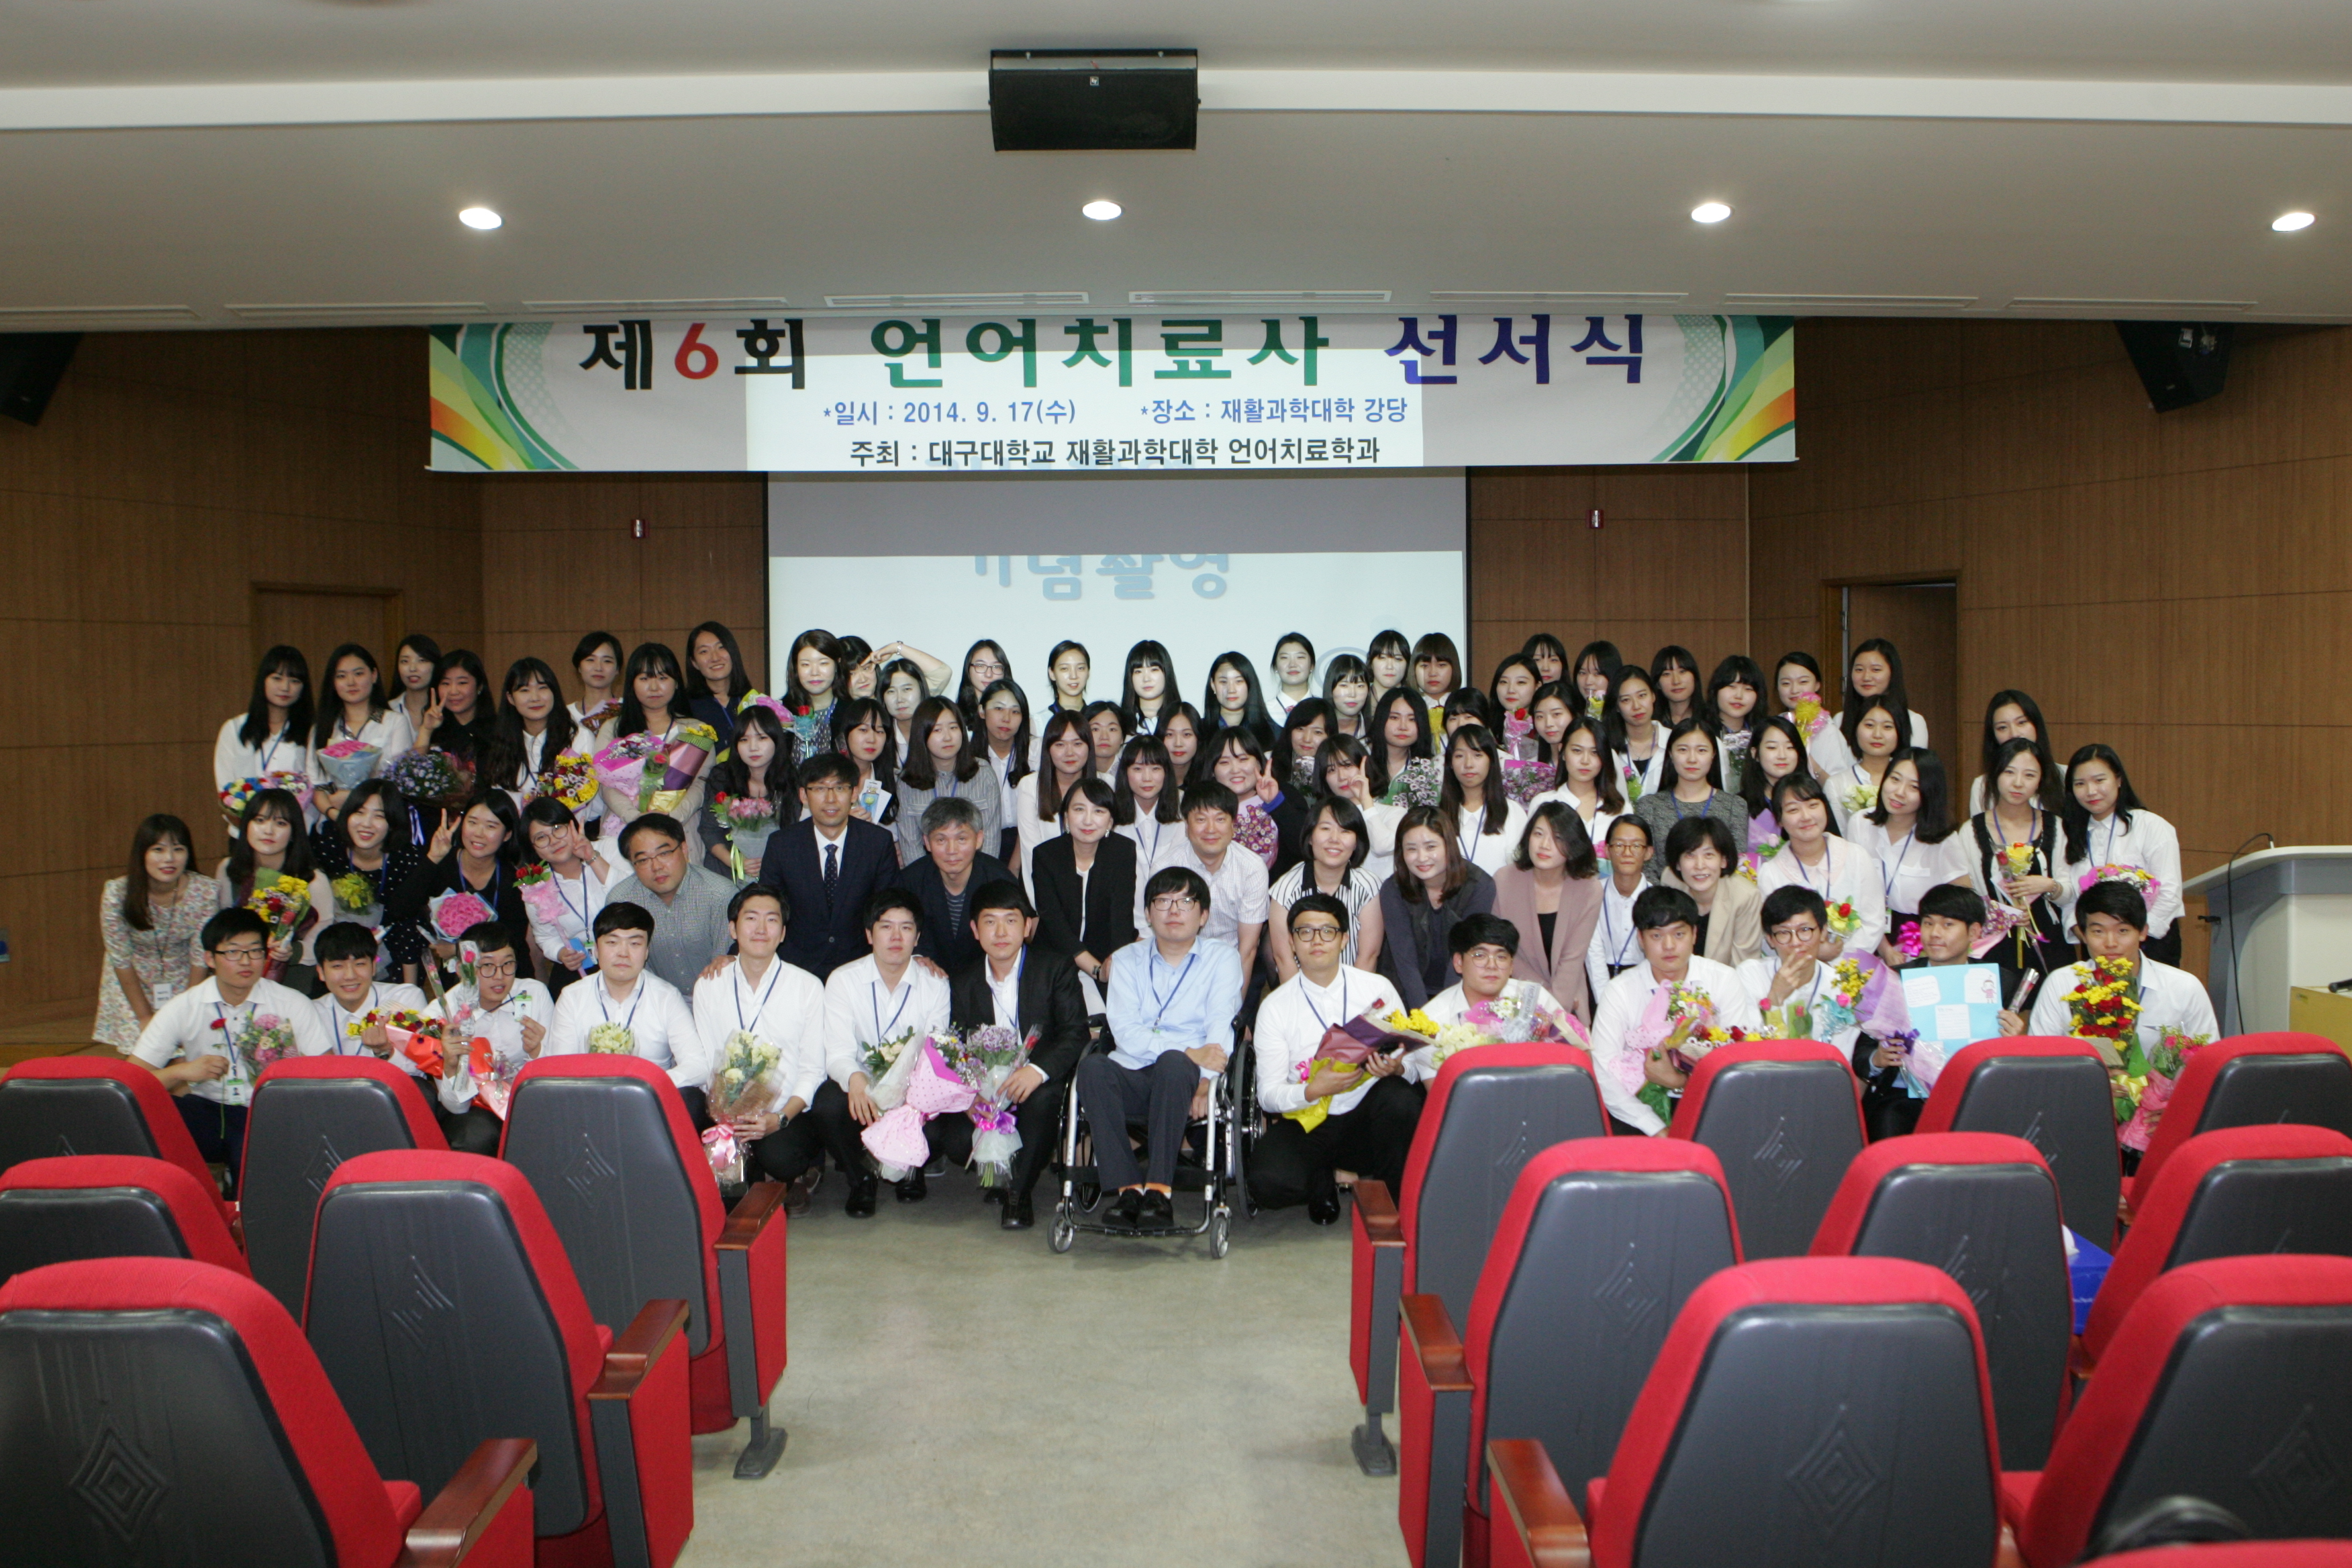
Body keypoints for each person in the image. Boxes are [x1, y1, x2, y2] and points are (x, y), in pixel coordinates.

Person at [1085, 866, 1246, 1230]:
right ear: (1147, 914)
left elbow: (1221, 1026)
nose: (1174, 910)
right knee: (1092, 1068)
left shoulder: (1222, 959)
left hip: (1186, 1080)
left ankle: (1158, 1192)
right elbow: (1125, 1032)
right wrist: (1190, 1050)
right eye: (1163, 902)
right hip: (1134, 1072)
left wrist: (1206, 1081)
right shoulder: (1126, 960)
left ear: (1203, 915)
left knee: (1173, 1063)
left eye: (1185, 902)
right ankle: (1128, 1190)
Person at [129, 908, 333, 1187]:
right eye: (233, 952)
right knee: (147, 1117)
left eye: (255, 951)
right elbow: (129, 1083)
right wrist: (181, 1072)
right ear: (209, 958)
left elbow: (329, 1073)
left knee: (248, 1155)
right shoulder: (184, 1006)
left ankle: (238, 1198)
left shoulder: (292, 1003)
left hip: (268, 1112)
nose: (246, 962)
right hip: (207, 1110)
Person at [1250, 893, 1420, 1223]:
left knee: (1402, 1100)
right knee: (1268, 1184)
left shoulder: (1376, 988)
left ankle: (1393, 1200)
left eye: (1328, 931)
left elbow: (1411, 1061)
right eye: (1305, 932)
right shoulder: (1275, 1007)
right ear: (1292, 942)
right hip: (1308, 1118)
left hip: (1366, 1117)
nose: (1317, 940)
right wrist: (1312, 1089)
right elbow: (1268, 1096)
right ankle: (1321, 1177)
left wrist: (1397, 1068)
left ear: (1344, 939)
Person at [945, 881, 1092, 1230]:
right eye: (990, 922)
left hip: (1038, 1083)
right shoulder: (963, 980)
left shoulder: (1054, 968)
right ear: (974, 930)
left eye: (1011, 921)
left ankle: (1018, 1193)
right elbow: (954, 1046)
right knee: (954, 1139)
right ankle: (999, 1173)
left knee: (1041, 1102)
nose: (1001, 932)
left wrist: (1037, 1071)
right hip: (986, 1089)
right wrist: (970, 1095)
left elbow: (1076, 1033)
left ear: (1027, 927)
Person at [694, 885, 840, 1214]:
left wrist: (780, 1118)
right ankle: (755, 1177)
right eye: (751, 918)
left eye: (772, 920)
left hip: (786, 1112)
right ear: (733, 929)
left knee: (782, 1156)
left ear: (783, 933)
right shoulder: (709, 984)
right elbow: (705, 1060)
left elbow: (813, 1069)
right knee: (728, 1200)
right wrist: (725, 1117)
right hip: (726, 1111)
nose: (761, 929)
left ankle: (794, 1174)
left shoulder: (807, 986)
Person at [817, 889, 953, 1213]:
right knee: (827, 1106)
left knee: (942, 1117)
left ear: (917, 938)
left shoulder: (935, 983)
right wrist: (855, 1080)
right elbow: (837, 1052)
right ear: (869, 934)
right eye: (886, 927)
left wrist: (909, 1096)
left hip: (915, 1091)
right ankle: (861, 1179)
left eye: (906, 928)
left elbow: (936, 1054)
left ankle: (911, 1168)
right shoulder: (843, 980)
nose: (896, 937)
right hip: (863, 1086)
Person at [1586, 887, 1763, 1136]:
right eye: (1657, 936)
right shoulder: (1620, 990)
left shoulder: (1723, 979)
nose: (1669, 946)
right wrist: (1656, 1128)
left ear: (1694, 934)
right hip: (1637, 1108)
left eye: (1679, 934)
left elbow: (1735, 1063)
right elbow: (1603, 1071)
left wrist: (1680, 1082)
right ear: (1641, 939)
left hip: (1710, 1102)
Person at [1734, 887, 1888, 1130]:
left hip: (1822, 1103)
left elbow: (1845, 1064)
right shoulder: (1750, 974)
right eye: (1783, 933)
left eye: (1805, 931)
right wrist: (1775, 997)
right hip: (1762, 1097)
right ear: (1770, 939)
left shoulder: (1842, 987)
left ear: (1824, 932)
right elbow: (1747, 1050)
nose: (1796, 942)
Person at [544, 901, 712, 1122]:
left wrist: (648, 1084)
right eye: (612, 942)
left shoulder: (666, 997)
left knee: (691, 1100)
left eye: (634, 944)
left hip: (650, 1105)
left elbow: (698, 1065)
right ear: (596, 950)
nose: (623, 953)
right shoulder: (572, 997)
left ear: (647, 952)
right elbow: (561, 1065)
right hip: (589, 1103)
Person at [2028, 879, 2218, 1067]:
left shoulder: (2184, 987)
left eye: (2123, 930)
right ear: (2083, 935)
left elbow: (2208, 1063)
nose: (2111, 943)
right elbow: (2040, 1061)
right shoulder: (2061, 984)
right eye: (2098, 931)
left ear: (2143, 932)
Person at [756, 752, 901, 979]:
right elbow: (765, 904)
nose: (831, 799)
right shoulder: (782, 844)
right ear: (803, 795)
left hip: (860, 966)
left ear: (854, 793)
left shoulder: (877, 842)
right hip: (797, 968)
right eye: (820, 789)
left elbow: (890, 907)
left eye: (840, 788)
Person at [420, 921, 552, 1154]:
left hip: (529, 1098)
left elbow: (555, 1077)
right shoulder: (440, 1014)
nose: (500, 976)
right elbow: (456, 1107)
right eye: (487, 966)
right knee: (472, 1135)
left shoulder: (533, 993)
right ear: (462, 969)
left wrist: (537, 1052)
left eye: (508, 964)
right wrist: (451, 1066)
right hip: (476, 1106)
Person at [2053, 744, 2186, 965]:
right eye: (2080, 784)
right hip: (2096, 947)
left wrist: (2132, 937)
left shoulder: (2150, 826)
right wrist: (2086, 935)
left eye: (2099, 780)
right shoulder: (2068, 833)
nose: (2091, 791)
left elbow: (2169, 893)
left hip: (2151, 943)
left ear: (2119, 780)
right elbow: (2070, 898)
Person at [97, 814, 216, 1052]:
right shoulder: (117, 894)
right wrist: (144, 1017)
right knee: (141, 1055)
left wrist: (187, 1011)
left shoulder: (205, 891)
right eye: (158, 850)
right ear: (142, 854)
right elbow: (120, 958)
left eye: (178, 849)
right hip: (131, 980)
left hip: (184, 977)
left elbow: (199, 957)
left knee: (184, 1050)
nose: (169, 859)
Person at [1852, 748, 1973, 964]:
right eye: (1895, 779)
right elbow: (1852, 890)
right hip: (1864, 932)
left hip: (1919, 942)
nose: (1899, 792)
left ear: (1929, 793)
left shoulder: (1943, 840)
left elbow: (1963, 904)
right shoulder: (1860, 823)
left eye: (1914, 787)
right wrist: (1884, 949)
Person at [388, 792, 521, 987]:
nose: (479, 833)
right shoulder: (443, 863)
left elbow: (515, 942)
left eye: (491, 826)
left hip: (500, 979)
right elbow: (398, 910)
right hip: (452, 980)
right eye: (472, 822)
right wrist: (433, 858)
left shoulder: (513, 880)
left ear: (507, 835)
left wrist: (458, 950)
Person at [1140, 781, 1269, 978]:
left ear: (1233, 825)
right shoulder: (1165, 868)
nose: (1211, 829)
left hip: (1233, 962)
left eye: (1220, 819)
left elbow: (1248, 949)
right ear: (1186, 825)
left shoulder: (1252, 868)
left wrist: (1233, 996)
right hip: (1178, 963)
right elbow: (1163, 937)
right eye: (1201, 820)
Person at [1965, 736, 2069, 978]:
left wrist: (2050, 886)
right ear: (1995, 775)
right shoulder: (1970, 831)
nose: (2018, 783)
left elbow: (2072, 891)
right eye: (2009, 772)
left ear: (2041, 780)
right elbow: (1968, 893)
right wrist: (1998, 913)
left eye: (2029, 775)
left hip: (2048, 939)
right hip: (1993, 942)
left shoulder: (2057, 826)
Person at [1032, 777, 1138, 1013]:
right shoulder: (1046, 855)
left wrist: (1113, 965)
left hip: (1105, 954)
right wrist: (1095, 970)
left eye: (1099, 811)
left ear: (1110, 821)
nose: (1088, 820)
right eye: (1079, 809)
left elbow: (1121, 919)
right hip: (1055, 955)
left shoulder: (1123, 851)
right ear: (1066, 817)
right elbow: (1053, 922)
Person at [1490, 801, 1603, 1022]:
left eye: (1557, 837)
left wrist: (1555, 1012)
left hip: (1568, 999)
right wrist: (1540, 999)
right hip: (1515, 996)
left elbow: (1572, 960)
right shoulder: (1504, 880)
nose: (1544, 845)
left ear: (1573, 844)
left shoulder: (1589, 889)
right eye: (1539, 834)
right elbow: (1504, 951)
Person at [1376, 804, 1496, 1010]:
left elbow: (1463, 955)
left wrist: (1444, 1012)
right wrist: (1423, 1019)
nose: (1422, 857)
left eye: (1431, 847)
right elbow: (1405, 962)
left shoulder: (1479, 886)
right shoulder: (1393, 889)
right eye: (1411, 849)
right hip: (1405, 995)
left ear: (1449, 846)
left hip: (1461, 993)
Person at [1755, 774, 1888, 959]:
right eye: (1793, 810)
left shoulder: (1856, 856)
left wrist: (1840, 963)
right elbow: (1769, 936)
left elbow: (1873, 922)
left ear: (1825, 807)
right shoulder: (1771, 874)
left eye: (1813, 805)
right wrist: (1814, 957)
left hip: (1855, 968)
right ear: (1779, 819)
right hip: (1798, 970)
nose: (1806, 816)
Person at [595, 642, 711, 852]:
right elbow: (605, 785)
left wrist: (671, 819)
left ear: (677, 683)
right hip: (623, 831)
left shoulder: (697, 731)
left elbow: (701, 785)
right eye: (645, 678)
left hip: (678, 831)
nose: (654, 687)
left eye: (663, 678)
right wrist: (636, 818)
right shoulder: (613, 729)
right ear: (632, 684)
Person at [601, 814, 734, 994]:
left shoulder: (720, 894)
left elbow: (725, 963)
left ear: (684, 849)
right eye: (643, 860)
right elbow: (626, 968)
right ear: (632, 864)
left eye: (664, 853)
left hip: (717, 995)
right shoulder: (621, 901)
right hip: (653, 1000)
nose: (656, 867)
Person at [216, 787, 332, 987]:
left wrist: (292, 950)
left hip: (293, 982)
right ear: (246, 826)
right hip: (239, 980)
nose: (268, 831)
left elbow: (323, 936)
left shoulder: (314, 880)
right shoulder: (228, 869)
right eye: (260, 820)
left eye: (280, 823)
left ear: (294, 831)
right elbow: (223, 926)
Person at [313, 781, 425, 979]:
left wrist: (410, 989)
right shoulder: (329, 845)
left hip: (391, 955)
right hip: (335, 953)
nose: (366, 823)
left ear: (393, 823)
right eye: (359, 812)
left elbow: (407, 928)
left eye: (379, 816)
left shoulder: (407, 860)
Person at [1267, 799, 1387, 980]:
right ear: (1310, 837)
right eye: (1325, 828)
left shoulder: (1370, 887)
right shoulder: (1285, 889)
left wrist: (1350, 997)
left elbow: (1368, 957)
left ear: (1357, 842)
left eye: (1345, 831)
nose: (1334, 839)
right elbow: (1284, 960)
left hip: (1354, 987)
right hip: (1300, 987)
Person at [898, 797, 1019, 975]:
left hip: (986, 976)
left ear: (979, 839)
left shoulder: (1000, 881)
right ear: (927, 842)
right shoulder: (909, 882)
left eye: (961, 839)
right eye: (941, 840)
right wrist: (917, 958)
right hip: (927, 976)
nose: (951, 850)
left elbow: (1011, 942)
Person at [1420, 913, 1581, 1044]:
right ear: (1459, 963)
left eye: (1501, 957)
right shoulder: (1433, 1018)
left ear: (1511, 966)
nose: (1492, 965)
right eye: (1480, 955)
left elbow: (1573, 1050)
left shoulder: (1534, 997)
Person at [893, 695, 1005, 869]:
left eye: (953, 728)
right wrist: (925, 881)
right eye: (937, 730)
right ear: (922, 735)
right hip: (928, 874)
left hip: (977, 871)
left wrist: (979, 878)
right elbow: (910, 845)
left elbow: (990, 839)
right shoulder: (908, 781)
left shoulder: (983, 773)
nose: (947, 737)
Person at [307, 643, 411, 818]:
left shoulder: (395, 722)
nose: (351, 682)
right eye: (341, 676)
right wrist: (337, 816)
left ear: (374, 675)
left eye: (358, 674)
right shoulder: (321, 728)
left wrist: (352, 798)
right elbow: (316, 786)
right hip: (332, 820)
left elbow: (399, 779)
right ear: (333, 682)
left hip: (380, 820)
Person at [697, 699, 798, 881]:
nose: (753, 747)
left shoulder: (793, 780)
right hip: (728, 871)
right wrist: (737, 863)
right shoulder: (722, 777)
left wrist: (771, 864)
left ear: (777, 740)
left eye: (762, 738)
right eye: (744, 739)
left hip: (779, 870)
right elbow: (709, 830)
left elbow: (796, 835)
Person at [309, 920, 429, 1072]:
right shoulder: (312, 1012)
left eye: (359, 964)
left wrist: (384, 1051)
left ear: (373, 967)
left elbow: (421, 1068)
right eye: (338, 966)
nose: (350, 976)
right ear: (321, 972)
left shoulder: (403, 998)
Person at [518, 795, 606, 992]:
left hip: (627, 956)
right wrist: (560, 953)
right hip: (581, 968)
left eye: (558, 829)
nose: (554, 841)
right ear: (532, 847)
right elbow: (544, 937)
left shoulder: (606, 849)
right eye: (541, 838)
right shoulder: (537, 886)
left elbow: (629, 896)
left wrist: (592, 857)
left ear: (572, 824)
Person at [1632, 716, 1749, 861]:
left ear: (1713, 754)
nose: (1692, 759)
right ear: (1670, 754)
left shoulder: (1735, 806)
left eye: (1701, 750)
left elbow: (1737, 863)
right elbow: (1646, 865)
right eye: (1683, 750)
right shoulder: (1649, 806)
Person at [1808, 638, 1929, 777]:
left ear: (1892, 673)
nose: (1866, 677)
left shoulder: (1913, 721)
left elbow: (1915, 774)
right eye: (1859, 670)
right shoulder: (1840, 719)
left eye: (1876, 670)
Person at [215, 645, 313, 808]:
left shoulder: (312, 731)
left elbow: (317, 786)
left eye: (295, 681)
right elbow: (225, 789)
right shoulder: (235, 728)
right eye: (277, 678)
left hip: (299, 822)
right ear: (263, 680)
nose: (285, 687)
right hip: (247, 822)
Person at [1660, 816, 1764, 968]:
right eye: (1690, 855)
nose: (1699, 865)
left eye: (1709, 855)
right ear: (1677, 863)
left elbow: (1744, 967)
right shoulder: (1670, 882)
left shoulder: (1745, 897)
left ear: (1723, 860)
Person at [1204, 724, 1306, 878]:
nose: (1235, 770)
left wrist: (1275, 803)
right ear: (1212, 770)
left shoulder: (1285, 794)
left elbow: (1307, 846)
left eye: (1243, 759)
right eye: (1224, 762)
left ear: (1259, 762)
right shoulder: (1203, 806)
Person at [480, 656, 578, 804]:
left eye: (542, 688)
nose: (535, 698)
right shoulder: (501, 743)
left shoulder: (577, 737)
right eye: (524, 690)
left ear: (554, 692)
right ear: (510, 698)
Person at [1524, 710, 1623, 853]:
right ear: (1562, 752)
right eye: (1577, 751)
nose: (1585, 761)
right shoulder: (1543, 802)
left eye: (1595, 752)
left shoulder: (1619, 808)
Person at [1016, 709, 1095, 887]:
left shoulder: (1106, 784)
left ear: (1089, 746)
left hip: (1095, 888)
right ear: (1048, 749)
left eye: (1077, 744)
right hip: (1046, 890)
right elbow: (1031, 854)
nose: (1069, 753)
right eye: (1060, 744)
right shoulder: (1030, 786)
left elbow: (1109, 846)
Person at [1439, 724, 1528, 875]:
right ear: (1450, 764)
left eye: (1477, 755)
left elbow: (1522, 869)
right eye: (1459, 756)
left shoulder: (1512, 812)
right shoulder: (1439, 816)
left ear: (1491, 760)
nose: (1468, 764)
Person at [1314, 736, 1404, 885]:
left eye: (1347, 765)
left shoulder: (1395, 813)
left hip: (1385, 895)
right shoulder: (1322, 819)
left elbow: (1381, 846)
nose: (1342, 777)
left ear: (1363, 765)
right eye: (1331, 770)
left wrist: (1365, 801)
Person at [1585, 816, 1654, 1003]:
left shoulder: (1658, 899)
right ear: (1607, 850)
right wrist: (1605, 1002)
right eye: (1619, 845)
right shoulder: (1592, 894)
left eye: (1636, 846)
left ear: (1648, 852)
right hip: (1597, 981)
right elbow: (1593, 954)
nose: (1627, 852)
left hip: (1646, 982)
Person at [1824, 697, 1909, 832]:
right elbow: (1839, 837)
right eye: (1869, 725)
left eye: (1888, 727)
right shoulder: (1837, 784)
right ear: (1856, 729)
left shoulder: (1912, 781)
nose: (1877, 734)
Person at [1969, 689, 2059, 817]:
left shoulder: (2066, 776)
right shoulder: (1982, 786)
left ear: (2036, 725)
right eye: (2002, 727)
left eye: (2022, 723)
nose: (2014, 734)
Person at [975, 678, 1032, 859]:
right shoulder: (968, 759)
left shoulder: (1035, 755)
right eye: (999, 709)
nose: (1007, 718)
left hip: (1028, 843)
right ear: (982, 711)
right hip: (982, 846)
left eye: (1015, 711)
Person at [1111, 732, 1182, 872]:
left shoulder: (1184, 806)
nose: (1147, 778)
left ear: (1166, 772)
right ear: (1125, 772)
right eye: (1138, 769)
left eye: (1155, 768)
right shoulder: (1111, 811)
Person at [1737, 714, 1810, 844]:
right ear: (1755, 753)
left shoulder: (1812, 798)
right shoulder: (1739, 805)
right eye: (1772, 747)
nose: (1782, 755)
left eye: (1790, 747)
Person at [415, 648, 494, 765]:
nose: (453, 691)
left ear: (480, 686)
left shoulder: (498, 729)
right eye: (446, 683)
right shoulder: (435, 730)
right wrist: (426, 730)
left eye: (462, 683)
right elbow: (413, 769)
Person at [1602, 664, 1669, 802]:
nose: (1636, 706)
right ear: (1617, 706)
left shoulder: (1674, 741)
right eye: (1626, 700)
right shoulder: (1606, 746)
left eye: (1642, 696)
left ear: (1653, 696)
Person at [682, 620, 754, 746]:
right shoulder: (686, 708)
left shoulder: (753, 701)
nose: (715, 658)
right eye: (704, 651)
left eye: (721, 647)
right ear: (694, 662)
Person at [832, 696, 899, 830]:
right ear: (846, 733)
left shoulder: (895, 780)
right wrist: (841, 824)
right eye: (863, 730)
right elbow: (805, 831)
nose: (872, 739)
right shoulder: (825, 779)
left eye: (879, 731)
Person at [781, 628, 850, 757]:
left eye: (823, 663)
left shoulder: (852, 712)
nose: (814, 672)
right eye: (805, 665)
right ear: (796, 667)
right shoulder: (782, 713)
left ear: (837, 664)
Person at [1706, 654, 1767, 793]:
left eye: (1748, 689)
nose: (1739, 695)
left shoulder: (1764, 734)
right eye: (1731, 686)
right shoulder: (1701, 733)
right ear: (1716, 690)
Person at [1369, 685, 1439, 807]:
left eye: (1412, 719)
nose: (1403, 727)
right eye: (1394, 718)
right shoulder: (1361, 757)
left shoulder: (1429, 769)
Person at [1272, 698, 1333, 794]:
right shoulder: (1269, 764)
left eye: (1317, 732)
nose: (1307, 739)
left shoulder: (1337, 773)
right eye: (1300, 729)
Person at [1488, 653, 1542, 758]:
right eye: (1504, 682)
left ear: (1537, 686)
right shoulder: (1487, 728)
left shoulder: (1545, 726)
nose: (1511, 690)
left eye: (1521, 682)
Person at [1119, 639, 1179, 732]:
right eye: (1138, 671)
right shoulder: (1120, 723)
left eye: (1154, 670)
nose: (1146, 679)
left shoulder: (1183, 720)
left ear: (1166, 673)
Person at [395, 634, 444, 738]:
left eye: (422, 660)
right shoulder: (388, 710)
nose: (412, 668)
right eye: (405, 661)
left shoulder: (447, 710)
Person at [567, 632, 623, 725]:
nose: (598, 668)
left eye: (607, 661)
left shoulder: (629, 710)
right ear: (579, 667)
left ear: (618, 669)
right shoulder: (566, 715)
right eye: (590, 660)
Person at [953, 639, 1012, 724]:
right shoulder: (955, 717)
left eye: (996, 667)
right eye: (980, 666)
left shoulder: (1015, 716)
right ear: (968, 669)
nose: (988, 674)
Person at [1410, 632, 1463, 722]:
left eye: (1441, 665)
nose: (1433, 673)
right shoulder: (1406, 708)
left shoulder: (1466, 707)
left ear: (1454, 668)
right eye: (1425, 666)